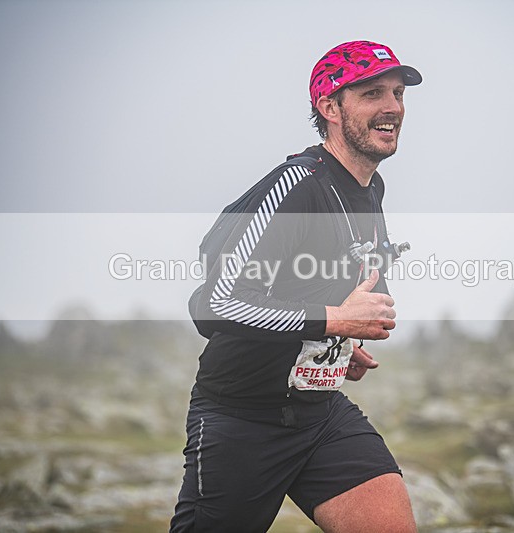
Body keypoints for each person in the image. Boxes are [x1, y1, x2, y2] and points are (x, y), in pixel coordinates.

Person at [170, 40, 422, 532]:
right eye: (373, 94)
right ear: (330, 108)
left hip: (319, 412)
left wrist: (334, 345)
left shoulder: (370, 189)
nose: (393, 107)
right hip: (242, 419)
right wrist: (335, 321)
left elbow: (324, 284)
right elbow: (214, 304)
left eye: (397, 93)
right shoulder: (295, 188)